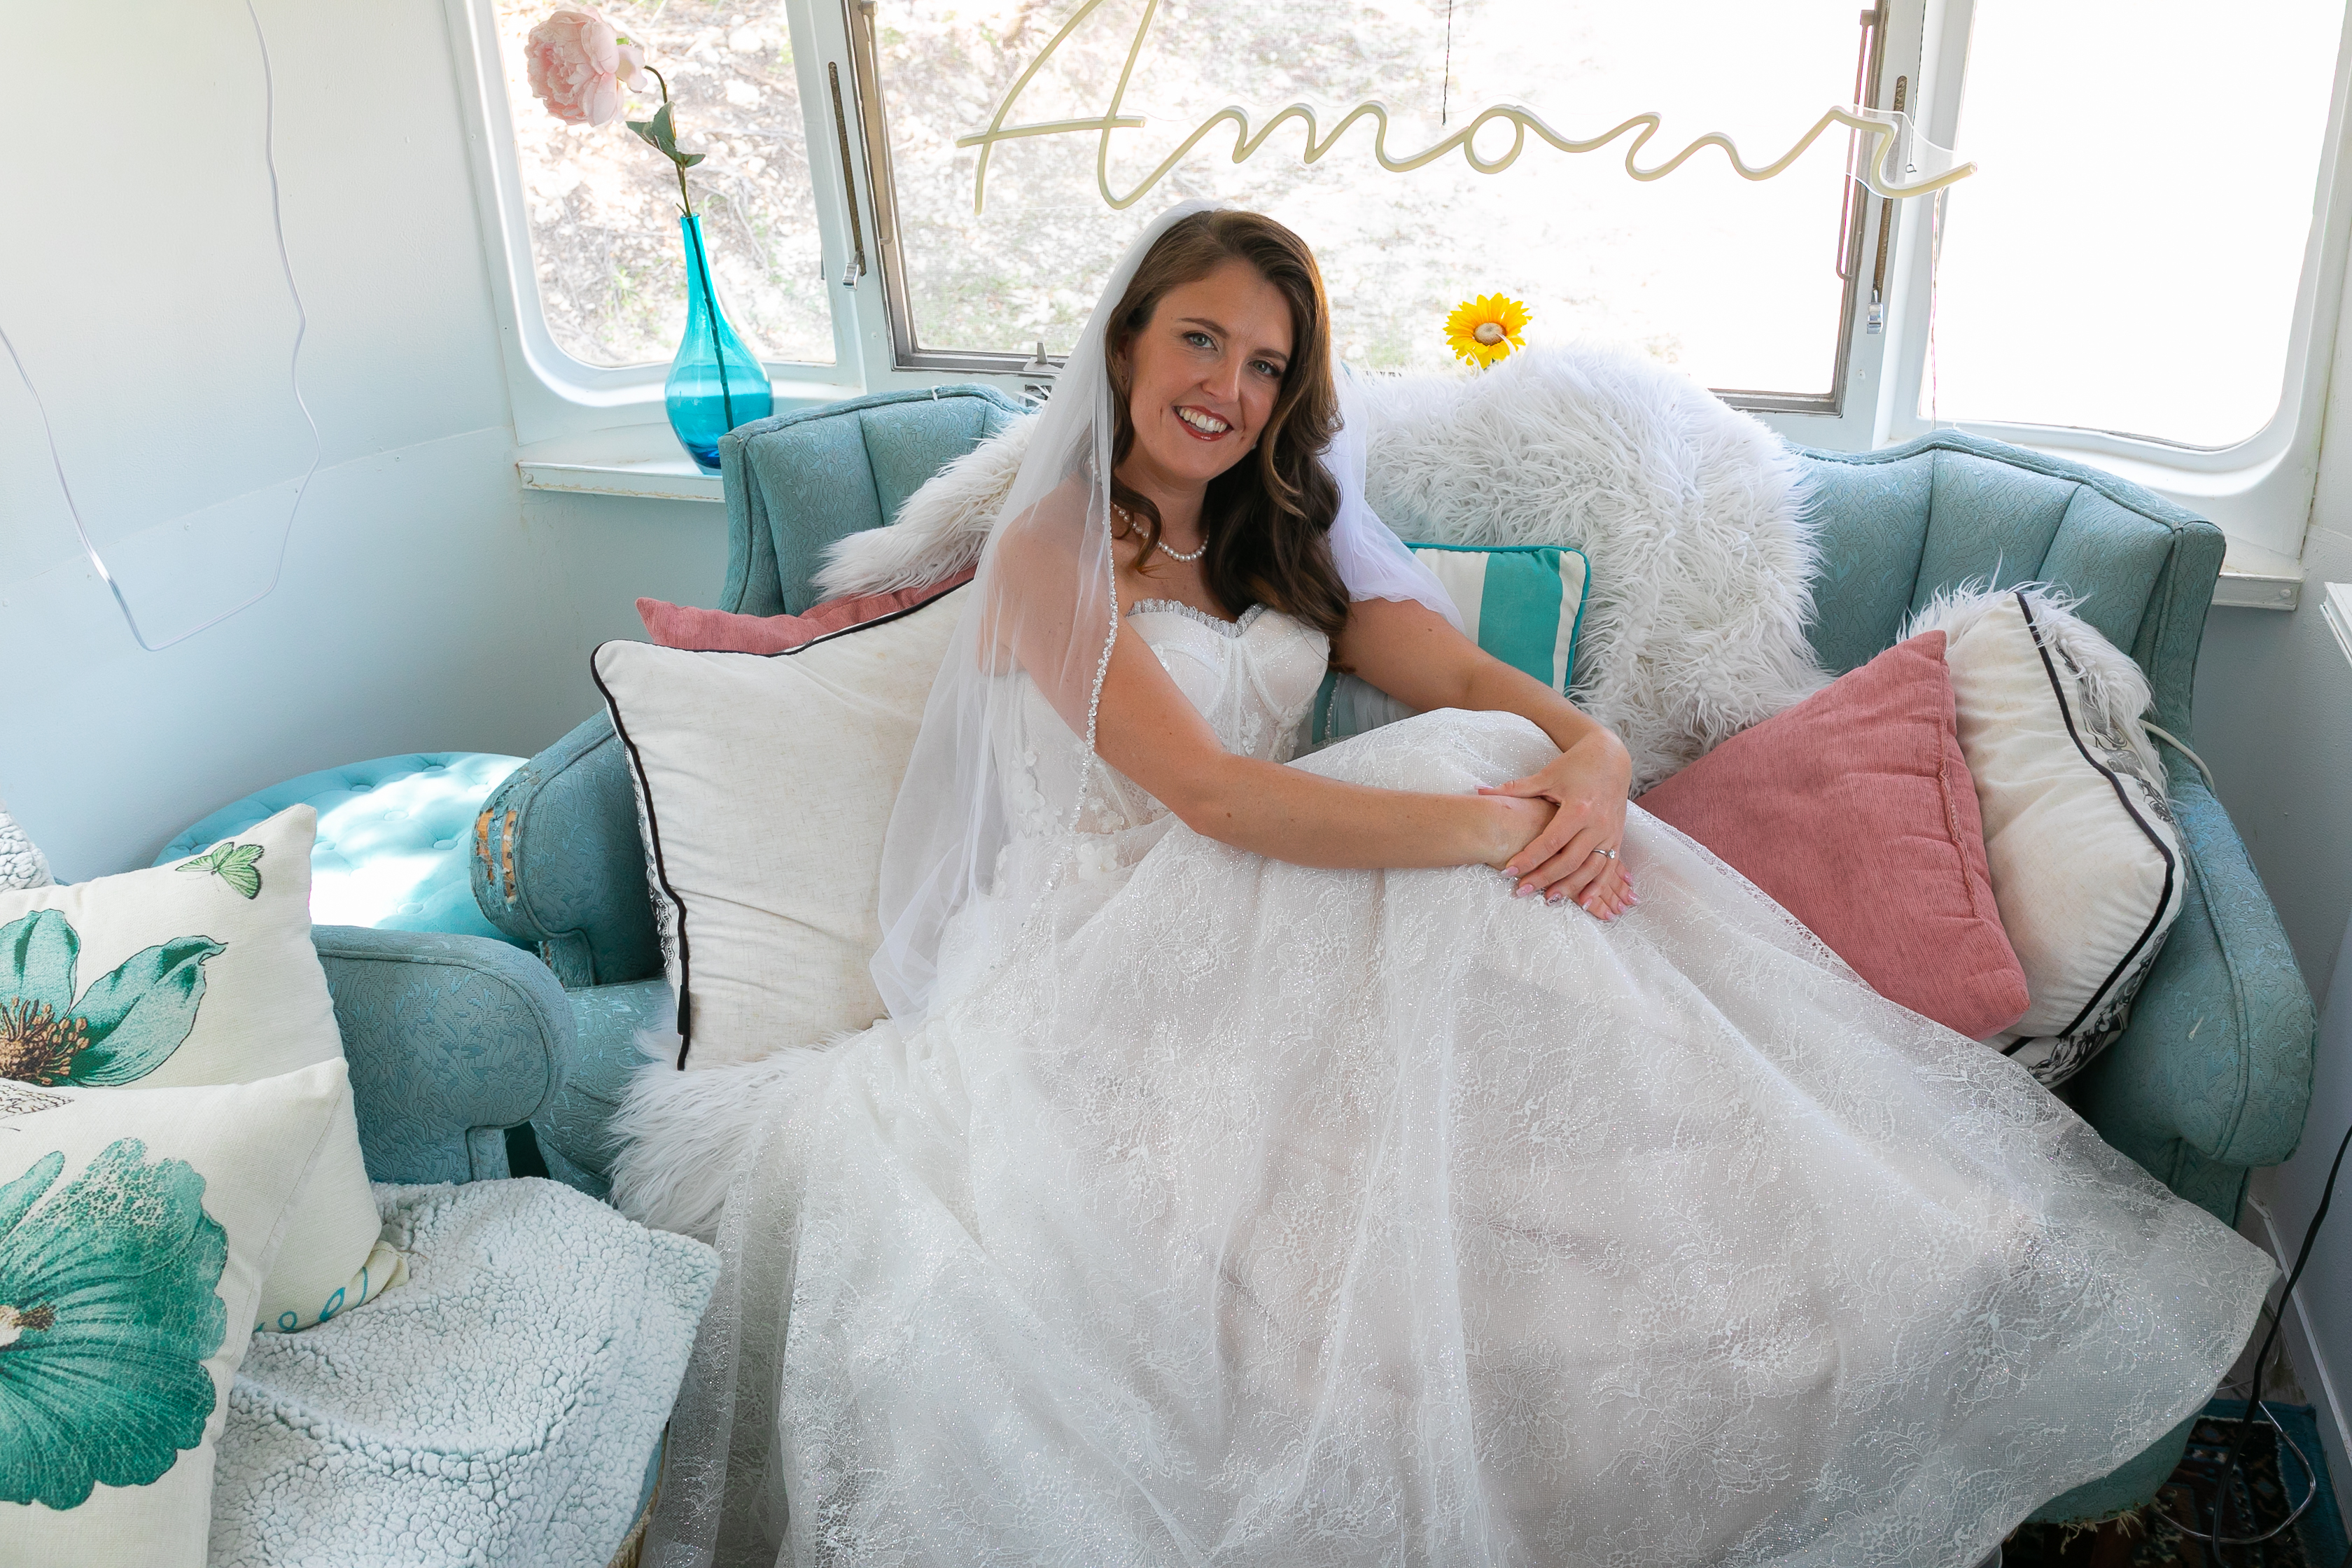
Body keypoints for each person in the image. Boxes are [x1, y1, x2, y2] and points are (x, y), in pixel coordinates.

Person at [644, 204, 2269, 1568]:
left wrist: (1592, 754)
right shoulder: (1053, 541)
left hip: (1249, 899)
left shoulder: (1276, 518)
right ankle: (1785, 1206)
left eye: (1266, 362)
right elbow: (1210, 792)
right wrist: (1498, 825)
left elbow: (1428, 656)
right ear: (1132, 343)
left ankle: (1775, 1214)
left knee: (1482, 738)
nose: (1226, 385)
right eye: (1199, 341)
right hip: (1102, 937)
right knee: (1458, 785)